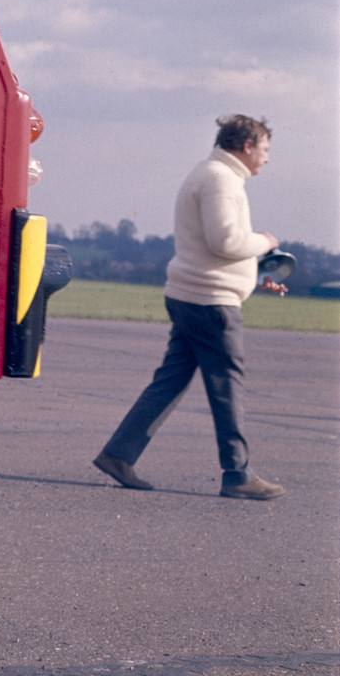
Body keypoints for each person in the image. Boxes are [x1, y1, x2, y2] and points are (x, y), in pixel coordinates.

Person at [93, 115, 287, 500]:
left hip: (193, 295)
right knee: (227, 386)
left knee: (171, 380)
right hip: (211, 303)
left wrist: (255, 275)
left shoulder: (211, 173)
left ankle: (118, 454)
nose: (267, 158)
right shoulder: (221, 179)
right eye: (265, 149)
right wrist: (265, 242)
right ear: (247, 145)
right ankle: (238, 474)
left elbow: (211, 247)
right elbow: (225, 241)